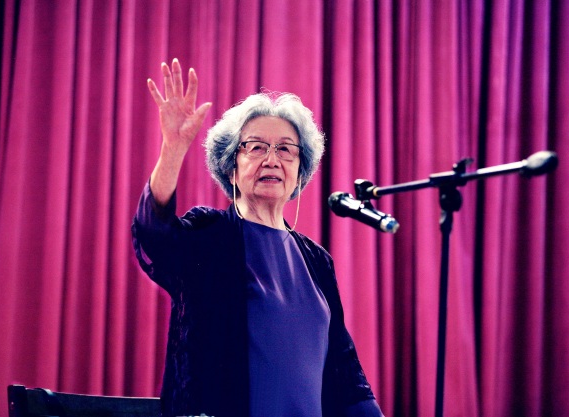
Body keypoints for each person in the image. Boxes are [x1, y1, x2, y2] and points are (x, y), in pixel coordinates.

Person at [132, 58, 384, 417]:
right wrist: (172, 149)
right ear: (231, 168)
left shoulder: (316, 260)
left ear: (299, 173)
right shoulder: (210, 236)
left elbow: (345, 374)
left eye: (286, 149)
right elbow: (154, 236)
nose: (272, 159)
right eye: (256, 147)